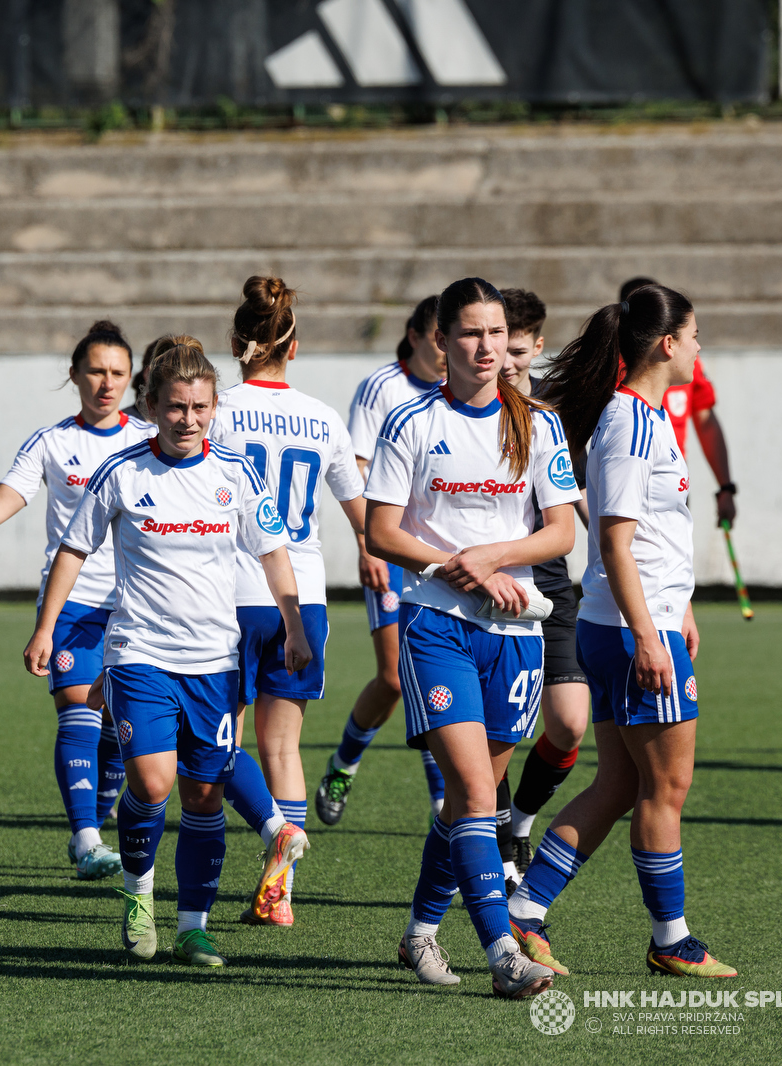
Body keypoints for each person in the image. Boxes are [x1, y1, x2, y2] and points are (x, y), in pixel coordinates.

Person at [25, 341, 311, 969]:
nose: (189, 419)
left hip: (215, 658)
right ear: (151, 406)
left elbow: (272, 553)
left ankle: (193, 927)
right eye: (176, 407)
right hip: (138, 651)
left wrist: (293, 624)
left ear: (214, 409)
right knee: (152, 783)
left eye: (201, 407)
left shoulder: (236, 474)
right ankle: (138, 893)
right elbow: (73, 551)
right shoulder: (122, 473)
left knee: (204, 795)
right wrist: (47, 628)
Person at [509, 283, 738, 979]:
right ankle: (671, 939)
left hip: (636, 621)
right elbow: (613, 541)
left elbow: (655, 536)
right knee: (664, 790)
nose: (699, 349)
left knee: (615, 783)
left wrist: (681, 606)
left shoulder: (641, 416)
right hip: (632, 630)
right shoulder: (632, 421)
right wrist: (649, 633)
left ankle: (526, 910)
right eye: (694, 337)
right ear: (667, 344)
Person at [365, 277, 578, 999]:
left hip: (516, 631)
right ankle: (500, 953)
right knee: (475, 791)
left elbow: (561, 529)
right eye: (470, 334)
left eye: (495, 333)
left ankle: (421, 932)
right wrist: (448, 570)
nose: (486, 348)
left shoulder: (538, 423)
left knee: (469, 799)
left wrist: (489, 560)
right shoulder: (411, 423)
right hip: (436, 625)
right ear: (440, 341)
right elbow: (381, 530)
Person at [0, 320, 153, 878]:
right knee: (80, 712)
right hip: (70, 605)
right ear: (73, 374)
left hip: (140, 608)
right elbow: (3, 501)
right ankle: (88, 837)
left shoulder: (149, 442)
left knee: (122, 730)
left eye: (118, 372)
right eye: (95, 370)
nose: (106, 382)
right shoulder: (52, 442)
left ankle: (93, 825)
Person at [208, 276, 367, 926]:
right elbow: (365, 517)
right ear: (293, 347)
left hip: (227, 594)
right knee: (283, 749)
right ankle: (281, 893)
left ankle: (221, 874)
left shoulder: (212, 409)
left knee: (217, 747)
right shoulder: (323, 417)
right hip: (302, 600)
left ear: (236, 341)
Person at [317, 295, 448, 825]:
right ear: (413, 335)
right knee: (395, 678)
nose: (446, 349)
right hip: (391, 548)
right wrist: (368, 544)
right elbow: (357, 470)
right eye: (438, 337)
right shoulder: (383, 388)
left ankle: (445, 799)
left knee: (432, 673)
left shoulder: (459, 389)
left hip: (441, 551)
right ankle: (344, 763)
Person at [497, 289, 591, 883]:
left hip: (550, 584)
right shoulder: (458, 411)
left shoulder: (553, 418)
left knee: (570, 724)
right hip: (483, 586)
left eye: (516, 348)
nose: (504, 359)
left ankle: (520, 820)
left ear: (535, 346)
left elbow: (578, 500)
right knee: (494, 732)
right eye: (494, 344)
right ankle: (499, 851)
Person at [619, 277, 736, 530]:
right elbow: (615, 546)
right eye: (692, 336)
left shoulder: (686, 369)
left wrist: (725, 486)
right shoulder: (624, 400)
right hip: (634, 483)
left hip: (671, 480)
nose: (698, 347)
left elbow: (706, 423)